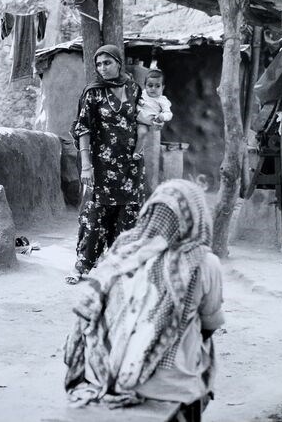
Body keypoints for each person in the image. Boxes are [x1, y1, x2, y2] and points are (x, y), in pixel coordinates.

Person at [63, 179, 224, 416]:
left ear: (150, 212)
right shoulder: (203, 261)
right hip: (173, 386)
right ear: (198, 217)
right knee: (198, 335)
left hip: (105, 376)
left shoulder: (123, 250)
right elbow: (210, 326)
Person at [66, 44, 145, 284]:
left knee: (127, 215)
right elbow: (83, 129)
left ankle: (121, 267)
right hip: (101, 166)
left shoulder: (134, 89)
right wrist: (86, 166)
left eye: (107, 63)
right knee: (95, 215)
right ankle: (82, 266)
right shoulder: (93, 93)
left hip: (130, 166)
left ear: (118, 63)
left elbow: (142, 120)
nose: (102, 68)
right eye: (99, 64)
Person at [134, 68, 173, 160]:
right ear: (145, 86)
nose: (153, 89)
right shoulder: (142, 94)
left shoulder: (162, 100)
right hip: (134, 118)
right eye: (150, 85)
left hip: (145, 123)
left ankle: (137, 152)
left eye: (157, 86)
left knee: (142, 133)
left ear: (163, 87)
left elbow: (169, 113)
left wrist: (163, 117)